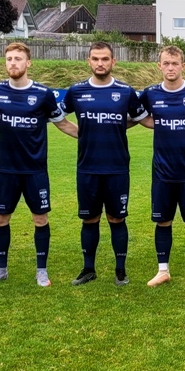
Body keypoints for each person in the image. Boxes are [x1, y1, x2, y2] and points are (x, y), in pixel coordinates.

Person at [0, 41, 77, 287]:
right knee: (0, 219)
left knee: (40, 219)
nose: (13, 63)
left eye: (18, 59)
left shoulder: (43, 94)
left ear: (28, 63)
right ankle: (1, 269)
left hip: (34, 169)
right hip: (5, 169)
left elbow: (63, 124)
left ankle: (41, 271)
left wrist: (92, 137)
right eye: (9, 59)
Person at [60, 42, 143, 287]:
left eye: (105, 59)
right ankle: (88, 269)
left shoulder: (125, 91)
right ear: (88, 61)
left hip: (117, 168)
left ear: (113, 61)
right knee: (90, 219)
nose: (100, 63)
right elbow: (57, 117)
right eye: (95, 58)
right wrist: (81, 133)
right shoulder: (76, 91)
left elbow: (139, 117)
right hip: (88, 167)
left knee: (117, 219)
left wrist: (117, 125)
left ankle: (120, 271)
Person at [138, 45, 185, 287]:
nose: (170, 68)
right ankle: (163, 270)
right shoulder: (150, 94)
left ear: (183, 65)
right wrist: (159, 125)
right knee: (163, 221)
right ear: (159, 66)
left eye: (175, 63)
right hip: (162, 172)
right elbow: (137, 115)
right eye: (166, 63)